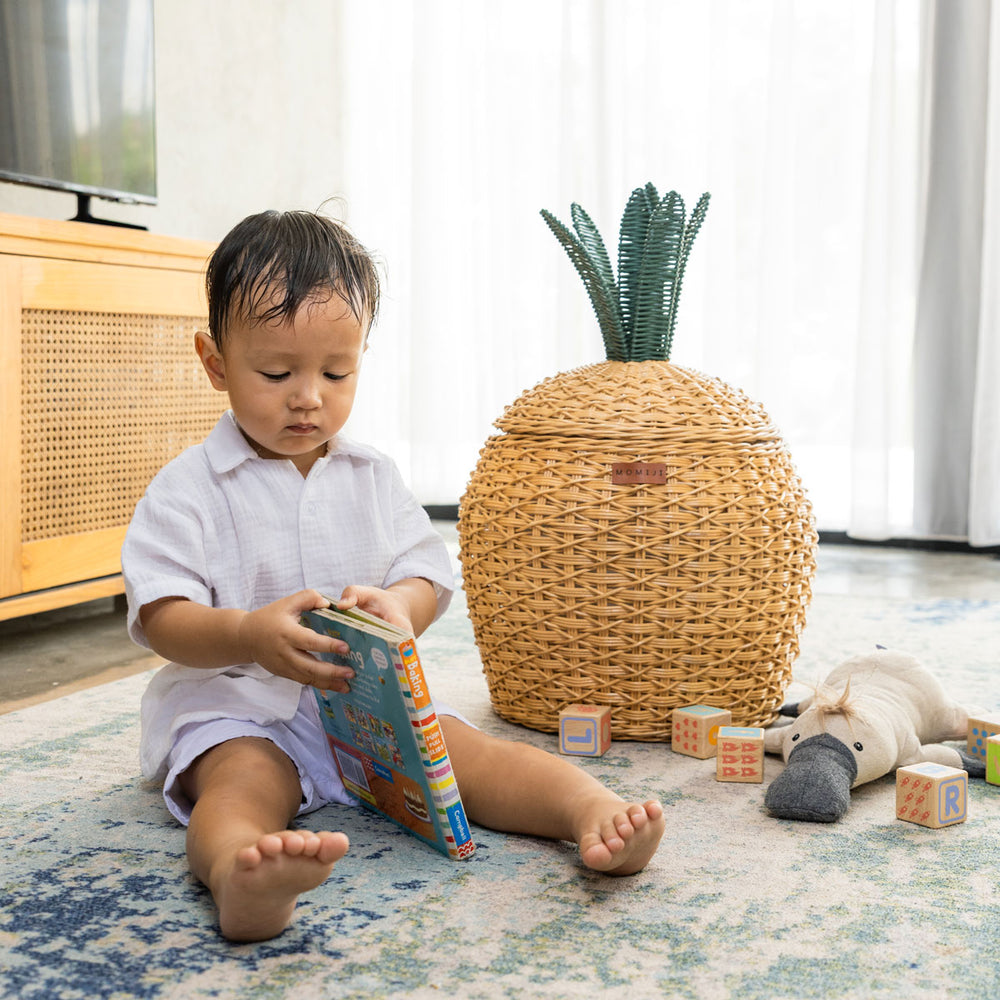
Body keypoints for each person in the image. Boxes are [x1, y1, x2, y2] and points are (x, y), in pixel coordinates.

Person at [122, 209, 665, 943]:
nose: (308, 395)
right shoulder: (189, 487)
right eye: (276, 372)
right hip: (240, 712)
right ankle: (242, 874)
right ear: (216, 362)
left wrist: (402, 607)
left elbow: (425, 569)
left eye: (336, 371)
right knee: (241, 786)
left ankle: (588, 811)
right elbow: (161, 614)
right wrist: (246, 633)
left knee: (473, 756)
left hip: (367, 710)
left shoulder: (371, 474)